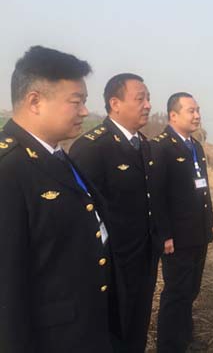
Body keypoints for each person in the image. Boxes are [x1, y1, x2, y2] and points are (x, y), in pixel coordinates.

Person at [0, 46, 116, 352]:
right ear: (35, 101)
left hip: (85, 328)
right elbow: (7, 288)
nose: (84, 112)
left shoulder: (56, 156)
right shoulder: (9, 169)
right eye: (76, 102)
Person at [70, 73, 158, 353]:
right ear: (115, 103)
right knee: (113, 334)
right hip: (112, 266)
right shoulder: (92, 147)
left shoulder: (144, 144)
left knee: (137, 329)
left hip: (144, 257)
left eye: (148, 98)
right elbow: (82, 216)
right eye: (140, 98)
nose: (148, 105)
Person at [152, 92, 213, 353]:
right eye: (191, 111)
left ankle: (185, 337)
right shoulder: (161, 147)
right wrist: (164, 234)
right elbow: (156, 196)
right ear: (173, 115)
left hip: (198, 232)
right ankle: (169, 346)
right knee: (176, 293)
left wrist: (210, 222)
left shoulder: (195, 146)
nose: (197, 115)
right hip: (177, 237)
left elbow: (204, 189)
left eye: (198, 110)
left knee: (191, 289)